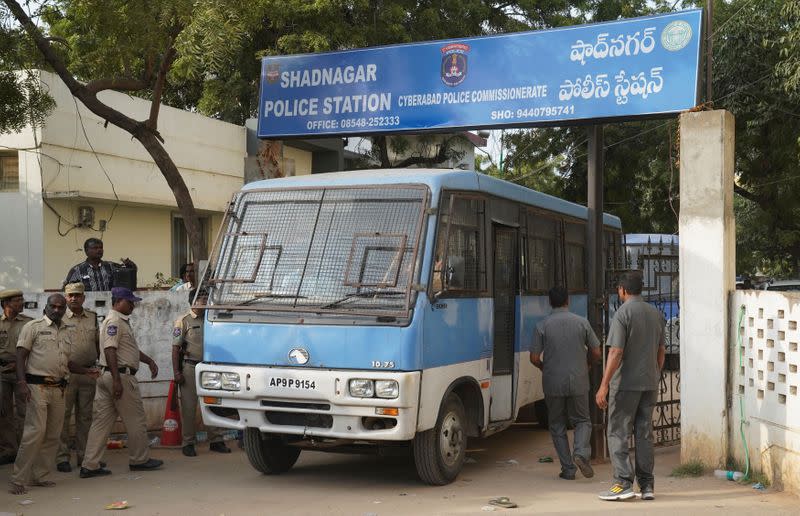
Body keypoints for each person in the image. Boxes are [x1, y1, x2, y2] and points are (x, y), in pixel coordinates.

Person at [8, 294, 99, 495]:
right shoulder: (33, 327)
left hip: (59, 389)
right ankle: (18, 478)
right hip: (36, 387)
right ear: (46, 306)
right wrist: (21, 383)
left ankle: (39, 476)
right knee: (34, 433)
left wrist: (86, 371)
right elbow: (20, 357)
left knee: (52, 435)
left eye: (60, 307)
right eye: (53, 306)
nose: (57, 310)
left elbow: (67, 362)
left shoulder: (67, 331)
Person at [595, 271, 666, 501]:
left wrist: (604, 385)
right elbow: (661, 351)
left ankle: (622, 483)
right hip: (649, 383)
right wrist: (655, 373)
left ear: (622, 290)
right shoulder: (655, 313)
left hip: (625, 384)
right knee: (644, 433)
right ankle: (647, 485)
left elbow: (616, 352)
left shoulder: (622, 314)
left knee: (618, 431)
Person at [80, 287, 163, 478]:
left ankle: (90, 465)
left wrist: (149, 360)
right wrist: (117, 380)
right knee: (136, 420)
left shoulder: (119, 321)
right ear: (118, 301)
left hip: (108, 376)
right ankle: (139, 460)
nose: (133, 305)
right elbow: (110, 350)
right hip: (120, 378)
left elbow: (129, 350)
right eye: (129, 301)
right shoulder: (115, 321)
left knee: (101, 423)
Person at [530, 286, 600, 481]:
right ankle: (580, 453)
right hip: (579, 379)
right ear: (567, 301)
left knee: (557, 425)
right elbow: (596, 352)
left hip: (553, 382)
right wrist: (587, 364)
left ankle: (568, 469)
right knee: (583, 420)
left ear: (550, 302)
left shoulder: (542, 325)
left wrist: (545, 368)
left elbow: (534, 358)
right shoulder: (582, 323)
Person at [172, 288, 231, 456]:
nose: (205, 302)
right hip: (190, 368)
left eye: (206, 299)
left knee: (213, 404)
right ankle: (188, 443)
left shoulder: (212, 320)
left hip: (210, 368)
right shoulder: (184, 321)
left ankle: (216, 440)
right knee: (189, 408)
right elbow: (175, 348)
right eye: (202, 299)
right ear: (193, 301)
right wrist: (176, 372)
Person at [56, 283, 100, 473]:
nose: (74, 298)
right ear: (66, 297)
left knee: (85, 417)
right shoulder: (59, 318)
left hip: (88, 374)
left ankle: (84, 457)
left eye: (77, 295)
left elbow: (97, 343)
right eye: (70, 295)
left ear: (83, 298)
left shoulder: (92, 317)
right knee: (63, 417)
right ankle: (62, 458)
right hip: (66, 374)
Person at [0, 289, 33, 465]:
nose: (21, 303)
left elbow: (35, 348)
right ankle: (8, 450)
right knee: (4, 413)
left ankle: (25, 450)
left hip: (23, 372)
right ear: (6, 304)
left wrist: (19, 365)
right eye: (17, 300)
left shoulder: (29, 323)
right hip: (2, 373)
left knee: (25, 412)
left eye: (22, 299)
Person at [63, 238, 137, 291]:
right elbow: (66, 290)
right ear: (86, 251)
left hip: (109, 304)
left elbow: (129, 274)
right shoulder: (77, 270)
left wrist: (131, 266)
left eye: (101, 247)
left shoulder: (111, 266)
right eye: (95, 248)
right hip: (87, 305)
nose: (99, 250)